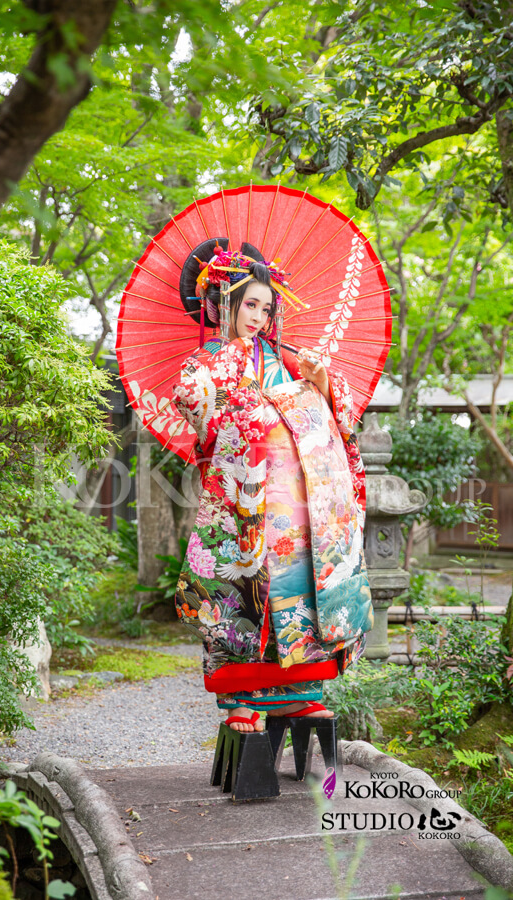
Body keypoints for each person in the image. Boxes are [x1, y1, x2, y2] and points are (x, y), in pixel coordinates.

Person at [172, 240, 373, 733]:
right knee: (242, 592)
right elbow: (194, 406)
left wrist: (321, 383)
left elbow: (327, 420)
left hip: (295, 499)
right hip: (241, 498)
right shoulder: (210, 359)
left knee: (301, 588)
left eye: (266, 306)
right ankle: (243, 695)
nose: (258, 316)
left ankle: (301, 691)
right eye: (250, 305)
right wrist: (204, 394)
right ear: (224, 303)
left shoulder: (281, 359)